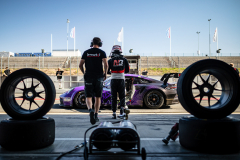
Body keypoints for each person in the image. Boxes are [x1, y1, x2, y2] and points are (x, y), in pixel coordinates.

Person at [79, 37, 108, 125]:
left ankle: (90, 110)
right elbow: (106, 64)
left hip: (88, 76)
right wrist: (105, 74)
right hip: (99, 77)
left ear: (92, 43)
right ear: (100, 44)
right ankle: (96, 114)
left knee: (88, 96)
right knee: (98, 97)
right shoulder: (102, 52)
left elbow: (80, 65)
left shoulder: (86, 52)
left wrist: (84, 72)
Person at [107, 45, 130, 119]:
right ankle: (122, 111)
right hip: (121, 79)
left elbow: (107, 71)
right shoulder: (124, 60)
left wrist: (113, 72)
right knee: (122, 96)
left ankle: (114, 113)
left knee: (113, 96)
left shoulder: (110, 60)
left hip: (113, 79)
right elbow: (127, 70)